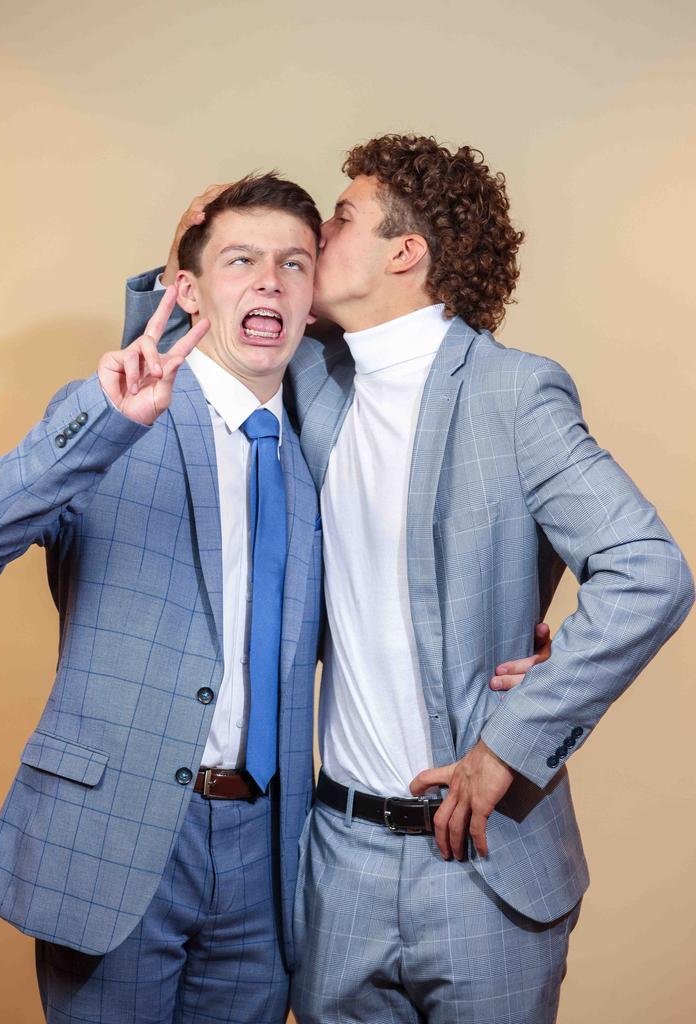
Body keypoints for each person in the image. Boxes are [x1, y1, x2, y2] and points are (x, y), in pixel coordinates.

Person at [124, 135, 693, 1024]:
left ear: (405, 252)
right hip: (337, 866)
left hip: (480, 866)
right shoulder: (315, 378)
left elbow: (648, 571)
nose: (315, 230)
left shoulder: (515, 393)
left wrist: (516, 738)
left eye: (340, 218)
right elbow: (175, 373)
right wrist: (182, 254)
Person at [0, 173, 325, 1024]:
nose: (270, 280)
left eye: (295, 263)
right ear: (186, 289)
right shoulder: (112, 416)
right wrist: (103, 427)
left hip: (268, 850)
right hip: (120, 837)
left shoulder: (317, 456)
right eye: (241, 259)